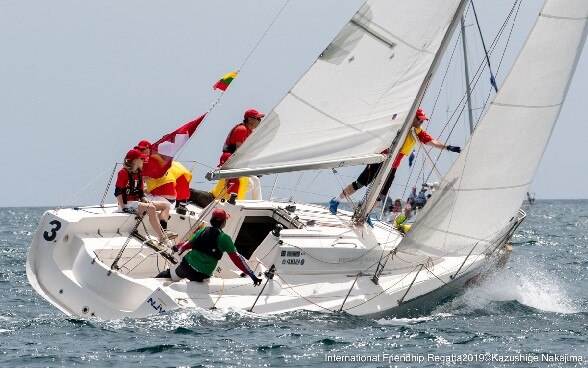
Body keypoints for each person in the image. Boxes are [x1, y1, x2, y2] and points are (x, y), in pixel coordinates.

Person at [328, 108, 461, 214]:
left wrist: (448, 147)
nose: (421, 123)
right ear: (413, 118)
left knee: (381, 195)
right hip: (381, 160)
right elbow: (391, 117)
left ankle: (366, 215)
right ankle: (336, 200)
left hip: (393, 167)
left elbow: (432, 141)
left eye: (423, 121)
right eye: (419, 120)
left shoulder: (418, 132)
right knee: (360, 183)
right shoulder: (400, 125)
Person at [157, 208, 262, 286]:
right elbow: (237, 259)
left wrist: (176, 248)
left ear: (211, 219)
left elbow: (185, 246)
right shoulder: (225, 238)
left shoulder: (202, 231)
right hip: (200, 276)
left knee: (169, 274)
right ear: (224, 222)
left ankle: (157, 280)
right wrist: (252, 275)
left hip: (185, 267)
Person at [115, 149, 175, 246]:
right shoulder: (123, 173)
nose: (143, 160)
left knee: (166, 205)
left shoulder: (138, 173)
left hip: (136, 202)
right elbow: (118, 192)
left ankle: (164, 230)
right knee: (151, 209)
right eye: (141, 159)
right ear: (135, 161)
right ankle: (162, 237)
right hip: (127, 203)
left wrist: (145, 200)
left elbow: (141, 192)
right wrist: (123, 208)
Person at [217, 109, 265, 197]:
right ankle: (229, 196)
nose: (260, 121)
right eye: (258, 119)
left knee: (255, 181)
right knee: (250, 184)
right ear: (250, 120)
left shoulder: (250, 132)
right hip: (231, 161)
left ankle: (258, 203)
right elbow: (240, 151)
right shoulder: (242, 129)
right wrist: (252, 168)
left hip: (238, 162)